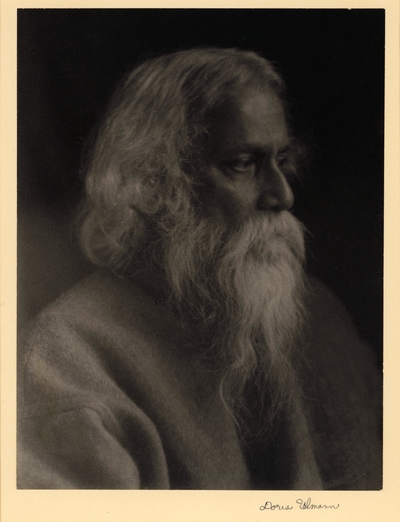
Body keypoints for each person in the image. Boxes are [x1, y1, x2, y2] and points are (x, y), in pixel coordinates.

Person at [17, 47, 382, 490]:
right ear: (155, 183)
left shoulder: (320, 317)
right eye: (242, 165)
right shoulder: (67, 360)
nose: (282, 195)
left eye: (281, 162)